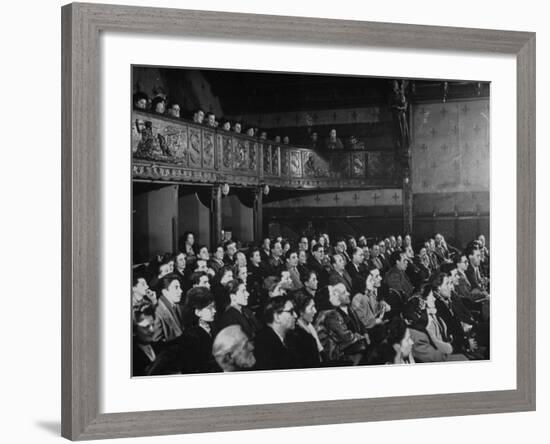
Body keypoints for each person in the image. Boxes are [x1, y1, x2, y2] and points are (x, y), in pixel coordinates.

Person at [314, 283, 370, 365]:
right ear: (327, 299)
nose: (336, 296)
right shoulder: (330, 315)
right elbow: (345, 336)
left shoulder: (325, 313)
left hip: (335, 349)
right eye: (333, 294)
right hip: (334, 355)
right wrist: (359, 337)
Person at [132, 302, 180, 376]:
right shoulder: (132, 356)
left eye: (152, 325)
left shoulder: (159, 347)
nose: (152, 330)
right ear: (133, 330)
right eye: (146, 327)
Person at [179, 287, 218, 374]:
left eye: (214, 307)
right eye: (210, 308)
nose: (214, 311)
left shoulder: (211, 326)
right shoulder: (190, 337)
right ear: (198, 312)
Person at [254, 296, 298, 370]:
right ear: (277, 317)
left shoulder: (290, 338)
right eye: (291, 312)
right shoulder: (263, 346)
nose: (295, 315)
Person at [287, 292, 323, 368]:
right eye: (311, 308)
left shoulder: (309, 326)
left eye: (315, 307)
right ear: (300, 312)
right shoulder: (297, 335)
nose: (315, 311)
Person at [152, 274, 184, 344]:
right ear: (165, 292)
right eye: (176, 287)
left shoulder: (177, 306)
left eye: (180, 287)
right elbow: (156, 342)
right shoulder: (157, 312)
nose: (181, 291)